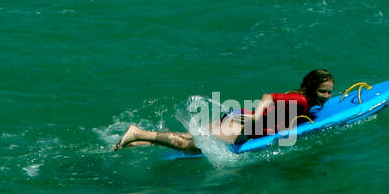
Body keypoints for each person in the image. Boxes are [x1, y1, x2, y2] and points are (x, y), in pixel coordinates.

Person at [112, 70, 335, 152]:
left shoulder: (304, 102)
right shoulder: (301, 99)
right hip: (243, 125)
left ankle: (129, 142)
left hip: (237, 117)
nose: (327, 96)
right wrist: (256, 118)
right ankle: (137, 133)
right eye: (324, 92)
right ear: (312, 88)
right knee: (192, 146)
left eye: (329, 92)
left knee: (188, 138)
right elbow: (268, 96)